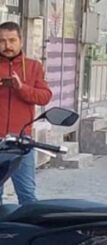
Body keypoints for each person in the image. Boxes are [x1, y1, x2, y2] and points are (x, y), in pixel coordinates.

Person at [0, 21, 52, 205]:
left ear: (20, 41)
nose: (7, 46)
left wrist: (21, 87)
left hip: (22, 141)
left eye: (12, 40)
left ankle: (31, 234)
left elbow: (45, 97)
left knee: (27, 196)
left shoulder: (33, 66)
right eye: (3, 41)